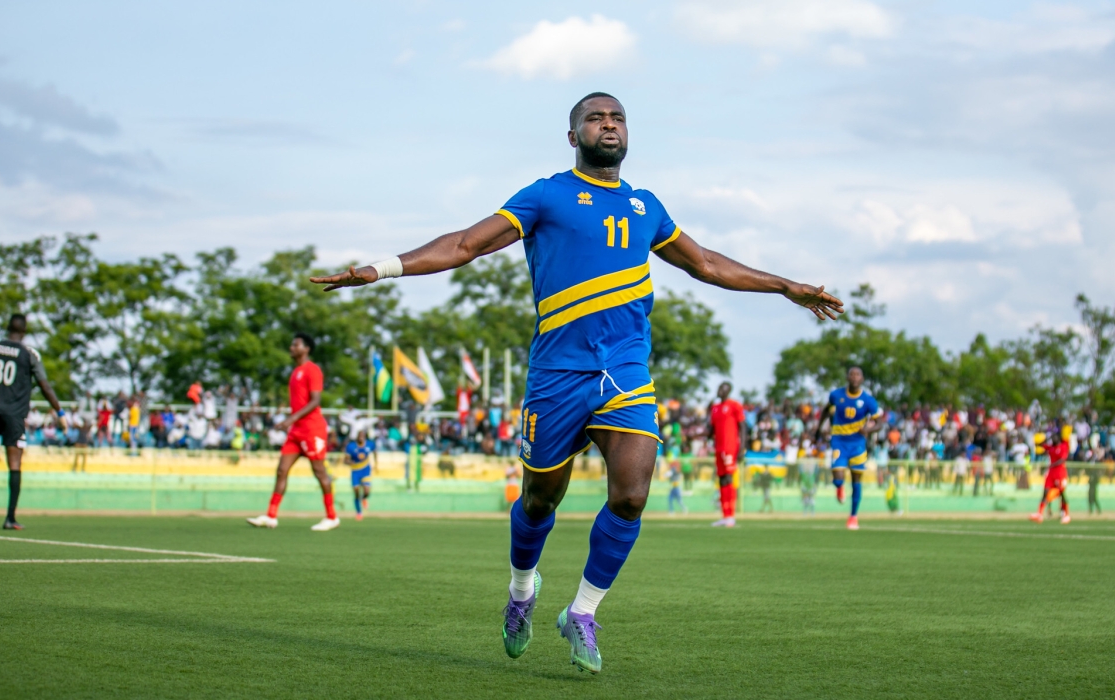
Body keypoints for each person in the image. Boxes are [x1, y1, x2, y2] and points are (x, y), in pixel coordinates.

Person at [309, 92, 842, 673]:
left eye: (616, 117)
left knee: (632, 494)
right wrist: (381, 269)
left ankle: (583, 612)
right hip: (557, 375)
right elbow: (466, 244)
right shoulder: (546, 195)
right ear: (573, 137)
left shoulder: (646, 206)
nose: (608, 124)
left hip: (625, 370)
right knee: (540, 502)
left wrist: (787, 285)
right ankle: (521, 592)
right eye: (595, 117)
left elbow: (708, 264)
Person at [0, 313, 68, 529]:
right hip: (14, 414)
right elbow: (44, 386)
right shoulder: (28, 354)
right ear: (24, 332)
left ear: (7, 329)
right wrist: (59, 412)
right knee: (14, 462)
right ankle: (10, 518)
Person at [246, 333, 340, 531]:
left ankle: (332, 517)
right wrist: (291, 421)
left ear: (306, 349)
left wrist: (291, 419)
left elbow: (315, 401)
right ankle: (271, 516)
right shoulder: (296, 372)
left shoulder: (312, 370)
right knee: (281, 470)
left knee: (319, 471)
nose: (291, 347)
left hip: (312, 429)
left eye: (295, 344)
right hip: (296, 431)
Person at [816, 367, 883, 530]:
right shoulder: (836, 395)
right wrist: (818, 428)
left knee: (856, 480)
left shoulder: (868, 400)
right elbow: (826, 410)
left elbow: (880, 423)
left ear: (862, 379)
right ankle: (839, 487)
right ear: (847, 377)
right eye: (851, 374)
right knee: (838, 477)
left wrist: (867, 429)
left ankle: (853, 517)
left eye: (857, 374)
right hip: (839, 441)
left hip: (858, 444)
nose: (854, 377)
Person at [709, 381, 746, 527]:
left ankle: (731, 516)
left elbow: (742, 427)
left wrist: (742, 447)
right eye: (719, 388)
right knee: (722, 479)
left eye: (722, 389)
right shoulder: (715, 408)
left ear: (728, 391)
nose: (719, 391)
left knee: (729, 479)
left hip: (730, 447)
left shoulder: (734, 405)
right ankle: (725, 516)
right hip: (718, 448)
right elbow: (712, 429)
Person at [1030, 428, 1071, 524]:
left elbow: (1063, 459)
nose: (1053, 439)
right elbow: (1039, 445)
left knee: (1062, 494)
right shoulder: (1051, 448)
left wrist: (1052, 465)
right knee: (1045, 492)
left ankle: (1066, 514)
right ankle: (1039, 514)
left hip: (1060, 474)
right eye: (1052, 438)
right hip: (1051, 474)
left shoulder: (1063, 446)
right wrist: (1043, 439)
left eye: (1055, 437)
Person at [344, 430, 376, 521]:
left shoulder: (370, 444)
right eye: (359, 435)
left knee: (366, 491)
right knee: (356, 491)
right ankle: (359, 512)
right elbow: (345, 460)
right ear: (357, 437)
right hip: (355, 471)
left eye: (363, 435)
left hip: (366, 470)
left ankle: (364, 498)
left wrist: (376, 464)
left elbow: (375, 452)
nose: (361, 437)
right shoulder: (351, 446)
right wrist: (349, 462)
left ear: (365, 437)